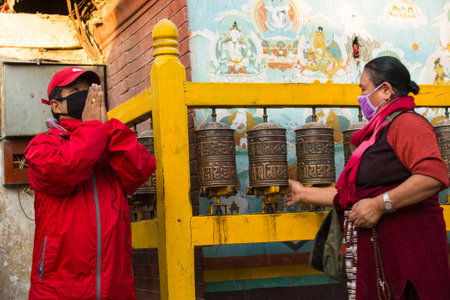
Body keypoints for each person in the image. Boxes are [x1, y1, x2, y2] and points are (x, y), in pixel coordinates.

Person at [287, 56, 450, 299]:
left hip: (408, 252)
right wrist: (304, 193)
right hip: (379, 252)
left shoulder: (407, 123)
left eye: (364, 89)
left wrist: (380, 204)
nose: (361, 97)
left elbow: (432, 176)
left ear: (385, 90)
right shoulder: (378, 132)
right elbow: (353, 193)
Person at [25, 67, 156, 299]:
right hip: (59, 288)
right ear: (56, 106)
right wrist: (94, 129)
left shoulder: (108, 139)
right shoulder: (41, 146)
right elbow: (68, 169)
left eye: (88, 90)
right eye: (75, 90)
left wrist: (108, 128)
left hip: (114, 284)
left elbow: (140, 170)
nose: (85, 95)